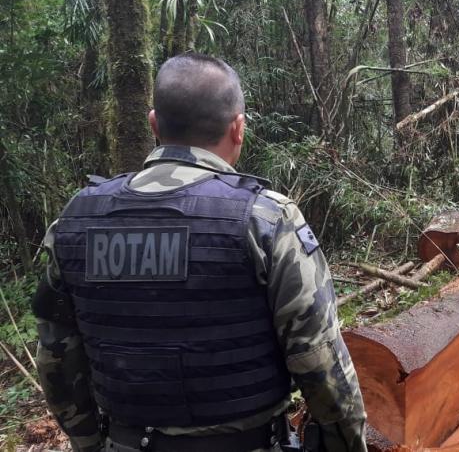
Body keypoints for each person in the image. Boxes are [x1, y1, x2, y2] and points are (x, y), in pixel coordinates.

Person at [32, 53, 367, 452]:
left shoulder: (76, 221)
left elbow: (56, 360)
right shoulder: (265, 218)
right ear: (238, 128)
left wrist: (91, 444)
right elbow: (319, 360)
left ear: (154, 124)